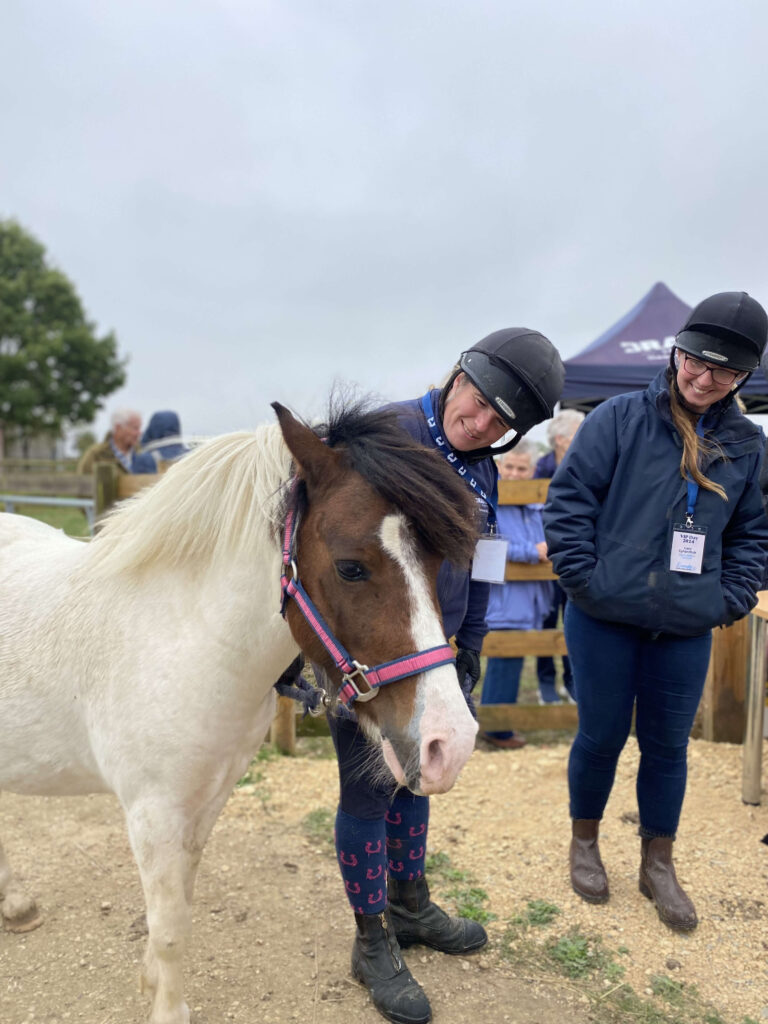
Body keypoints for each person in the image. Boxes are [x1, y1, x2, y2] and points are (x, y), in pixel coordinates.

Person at [329, 328, 564, 1024]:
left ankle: (410, 905)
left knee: (421, 779)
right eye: (481, 401)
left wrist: (473, 643)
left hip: (440, 655)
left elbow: (486, 560)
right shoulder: (388, 436)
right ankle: (371, 941)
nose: (483, 422)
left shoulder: (484, 465)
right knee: (370, 794)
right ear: (458, 374)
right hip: (380, 656)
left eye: (503, 421)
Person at [543, 291, 768, 933]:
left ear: (743, 378)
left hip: (686, 625)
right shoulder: (616, 418)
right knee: (601, 736)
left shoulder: (747, 446)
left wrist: (728, 598)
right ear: (676, 351)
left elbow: (754, 533)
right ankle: (584, 841)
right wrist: (585, 579)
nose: (702, 378)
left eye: (723, 371)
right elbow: (570, 502)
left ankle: (657, 861)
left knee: (667, 747)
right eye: (695, 360)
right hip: (602, 616)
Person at [478, 440, 553, 750]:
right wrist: (533, 553)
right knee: (504, 659)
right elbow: (487, 547)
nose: (514, 474)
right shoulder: (490, 503)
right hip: (504, 599)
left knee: (511, 659)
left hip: (531, 597)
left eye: (522, 468)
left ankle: (496, 723)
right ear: (499, 468)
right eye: (509, 467)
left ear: (533, 471)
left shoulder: (537, 505)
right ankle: (497, 728)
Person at [533, 409, 584, 704]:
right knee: (546, 621)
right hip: (543, 560)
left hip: (572, 557)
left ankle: (571, 681)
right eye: (579, 433)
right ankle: (545, 683)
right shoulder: (540, 468)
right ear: (562, 439)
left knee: (573, 621)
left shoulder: (585, 465)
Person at [77, 408, 155, 474]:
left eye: (139, 428)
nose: (139, 433)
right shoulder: (96, 454)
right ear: (118, 428)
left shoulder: (143, 453)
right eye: (135, 428)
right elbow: (82, 486)